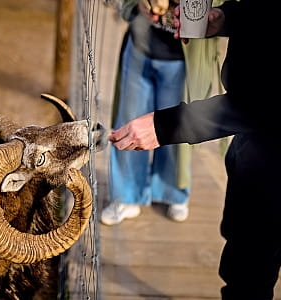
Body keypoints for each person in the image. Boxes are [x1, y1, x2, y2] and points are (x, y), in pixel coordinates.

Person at [109, 1, 281, 299]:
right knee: (245, 274)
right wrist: (226, 18)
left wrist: (165, 126)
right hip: (254, 153)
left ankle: (172, 193)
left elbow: (264, 103)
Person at [101, 0, 191, 226]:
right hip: (139, 49)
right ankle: (127, 196)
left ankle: (173, 191)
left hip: (182, 59)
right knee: (128, 122)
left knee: (176, 129)